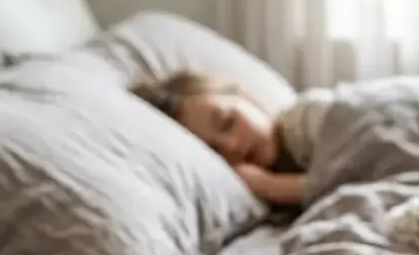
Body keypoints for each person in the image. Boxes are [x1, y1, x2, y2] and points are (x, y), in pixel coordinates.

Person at [131, 71, 317, 206]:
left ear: (246, 98)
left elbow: (332, 182)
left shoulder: (311, 118)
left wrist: (272, 186)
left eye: (228, 122)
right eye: (215, 152)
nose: (231, 146)